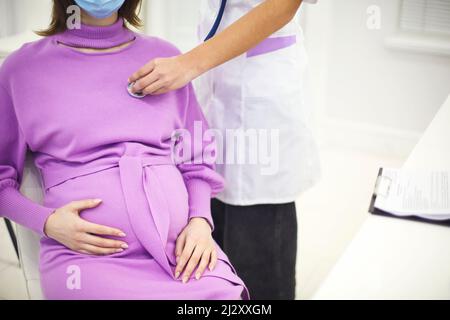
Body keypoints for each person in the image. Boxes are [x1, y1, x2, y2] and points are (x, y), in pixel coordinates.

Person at [0, 0, 248, 300]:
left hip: (181, 252)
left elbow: (196, 160)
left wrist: (200, 222)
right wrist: (47, 223)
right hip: (87, 261)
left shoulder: (166, 61)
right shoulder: (22, 70)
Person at [128, 0, 320, 299]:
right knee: (214, 245)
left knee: (258, 250)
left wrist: (189, 64)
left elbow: (284, 5)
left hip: (261, 92)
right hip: (215, 82)